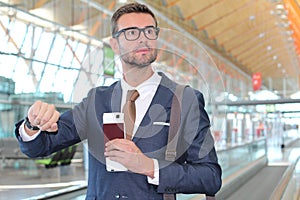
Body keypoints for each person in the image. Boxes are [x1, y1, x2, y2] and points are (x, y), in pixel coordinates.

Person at [15, 2, 222, 199]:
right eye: (132, 32)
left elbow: (210, 177)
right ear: (114, 44)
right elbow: (39, 147)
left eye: (149, 31)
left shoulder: (185, 100)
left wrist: (150, 166)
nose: (143, 39)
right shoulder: (96, 100)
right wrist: (32, 124)